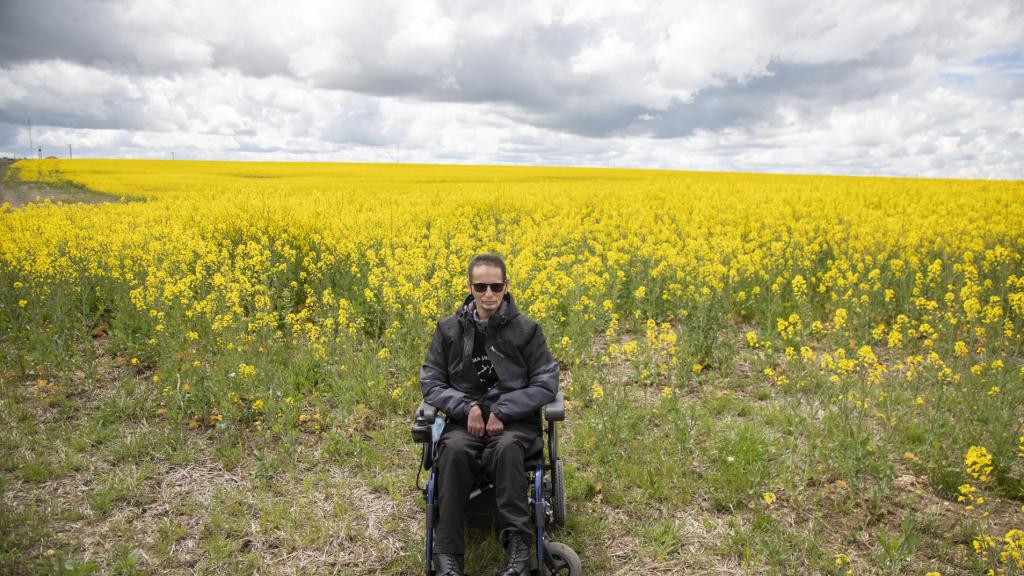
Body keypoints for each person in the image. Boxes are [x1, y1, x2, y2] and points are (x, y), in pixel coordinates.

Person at [420, 253, 560, 576]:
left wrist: (503, 409)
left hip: (513, 426)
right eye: (480, 286)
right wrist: (467, 407)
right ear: (470, 287)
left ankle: (518, 553)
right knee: (453, 452)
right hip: (462, 424)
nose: (488, 294)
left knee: (508, 449)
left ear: (506, 286)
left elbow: (546, 381)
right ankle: (447, 556)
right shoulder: (448, 330)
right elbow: (431, 381)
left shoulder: (526, 331)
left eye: (495, 286)